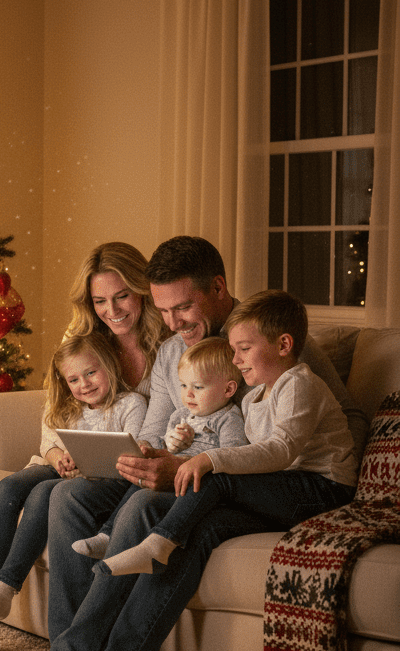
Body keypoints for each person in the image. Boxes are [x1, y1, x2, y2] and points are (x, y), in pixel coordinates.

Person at [0, 236, 367, 651]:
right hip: (200, 477)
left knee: (159, 516)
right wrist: (149, 456)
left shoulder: (270, 340)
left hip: (279, 484)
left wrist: (332, 477)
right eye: (164, 311)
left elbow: (344, 419)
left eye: (184, 307)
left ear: (219, 289)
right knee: (72, 497)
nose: (174, 323)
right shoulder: (172, 352)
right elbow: (162, 427)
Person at [100, 291, 356, 576]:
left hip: (326, 490)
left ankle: (158, 543)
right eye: (234, 350)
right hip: (286, 489)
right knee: (209, 524)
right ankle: (145, 594)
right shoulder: (252, 397)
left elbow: (281, 450)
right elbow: (254, 455)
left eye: (244, 349)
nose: (235, 360)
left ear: (284, 345)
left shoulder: (298, 384)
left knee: (218, 478)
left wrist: (210, 459)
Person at [0, 332, 147, 643]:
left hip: (96, 478)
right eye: (74, 379)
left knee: (43, 494)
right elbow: (48, 444)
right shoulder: (66, 405)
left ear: (109, 366)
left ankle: (4, 589)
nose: (83, 385)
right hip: (57, 470)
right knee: (9, 487)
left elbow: (132, 452)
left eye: (91, 373)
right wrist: (58, 457)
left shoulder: (131, 404)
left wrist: (84, 464)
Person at [73, 336, 246, 562]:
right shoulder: (179, 415)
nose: (188, 394)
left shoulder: (228, 419)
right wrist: (171, 443)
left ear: (228, 389)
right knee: (139, 484)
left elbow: (233, 455)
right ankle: (107, 534)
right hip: (170, 477)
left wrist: (194, 458)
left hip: (197, 485)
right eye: (183, 385)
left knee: (143, 498)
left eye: (198, 387)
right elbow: (165, 447)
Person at [65, 242, 169, 394]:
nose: (112, 311)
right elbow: (59, 407)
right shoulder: (78, 337)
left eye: (122, 296)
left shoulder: (171, 335)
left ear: (142, 289)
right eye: (100, 301)